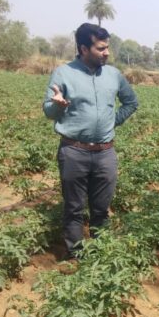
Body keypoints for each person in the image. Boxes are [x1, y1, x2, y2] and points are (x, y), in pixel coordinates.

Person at [43, 22, 138, 260]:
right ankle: (76, 257)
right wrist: (56, 105)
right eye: (101, 48)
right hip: (74, 151)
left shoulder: (114, 75)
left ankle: (101, 256)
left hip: (105, 153)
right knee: (74, 208)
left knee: (101, 210)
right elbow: (48, 112)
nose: (107, 52)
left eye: (107, 48)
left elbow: (131, 102)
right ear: (84, 48)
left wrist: (112, 122)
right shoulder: (64, 73)